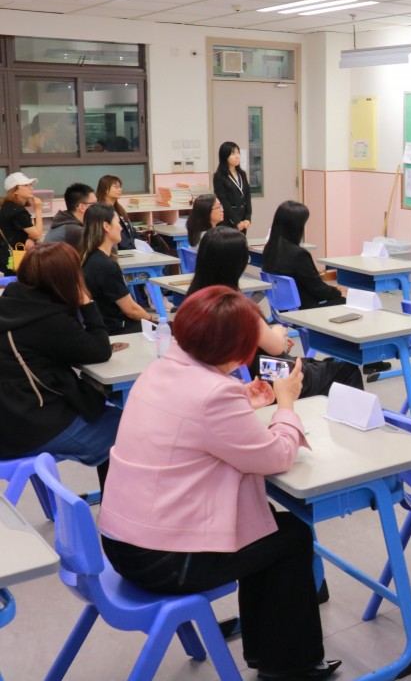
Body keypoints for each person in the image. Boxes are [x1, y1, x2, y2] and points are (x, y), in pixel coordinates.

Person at [98, 286, 340, 681]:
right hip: (164, 561)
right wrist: (286, 404)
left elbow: (191, 421)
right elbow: (278, 455)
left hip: (122, 542)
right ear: (238, 347)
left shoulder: (161, 368)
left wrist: (240, 400)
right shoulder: (213, 394)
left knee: (267, 528)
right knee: (291, 536)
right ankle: (289, 668)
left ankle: (270, 652)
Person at [0, 243, 121, 490]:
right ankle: (118, 505)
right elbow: (99, 351)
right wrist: (87, 303)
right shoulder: (49, 320)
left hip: (10, 422)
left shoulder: (11, 302)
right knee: (128, 428)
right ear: (67, 277)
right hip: (37, 426)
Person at [189, 226, 362, 396]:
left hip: (234, 376)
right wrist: (279, 332)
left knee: (321, 365)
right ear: (235, 265)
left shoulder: (194, 300)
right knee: (346, 370)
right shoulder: (236, 307)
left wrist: (271, 337)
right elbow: (277, 347)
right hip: (266, 375)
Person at [80, 203, 155, 335]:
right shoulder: (105, 265)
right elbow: (131, 310)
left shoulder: (89, 257)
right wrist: (152, 320)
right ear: (106, 226)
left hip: (101, 326)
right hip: (116, 329)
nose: (120, 227)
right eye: (118, 223)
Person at [262, 201, 345, 310]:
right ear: (296, 227)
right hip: (304, 308)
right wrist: (337, 292)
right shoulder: (299, 255)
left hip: (282, 308)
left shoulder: (269, 248)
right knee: (347, 301)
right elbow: (319, 290)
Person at [0, 172, 44, 274]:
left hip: (10, 257)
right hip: (14, 260)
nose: (31, 188)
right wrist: (38, 210)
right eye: (26, 185)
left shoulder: (10, 206)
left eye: (30, 185)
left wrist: (30, 238)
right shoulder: (16, 211)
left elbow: (30, 231)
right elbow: (38, 234)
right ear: (15, 190)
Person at [213, 141, 252, 232]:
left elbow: (247, 197)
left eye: (238, 153)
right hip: (228, 220)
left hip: (243, 220)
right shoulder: (219, 177)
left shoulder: (242, 174)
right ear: (225, 156)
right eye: (233, 153)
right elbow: (224, 202)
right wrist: (236, 221)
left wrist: (248, 217)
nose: (237, 156)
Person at [95, 175, 141, 250]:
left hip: (132, 248)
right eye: (116, 187)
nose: (120, 189)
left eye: (120, 187)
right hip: (118, 250)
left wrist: (142, 242)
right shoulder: (101, 211)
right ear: (105, 190)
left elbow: (131, 231)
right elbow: (120, 241)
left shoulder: (119, 209)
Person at [45, 183, 96, 249]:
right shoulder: (75, 231)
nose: (98, 207)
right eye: (94, 204)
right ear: (82, 207)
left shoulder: (64, 223)